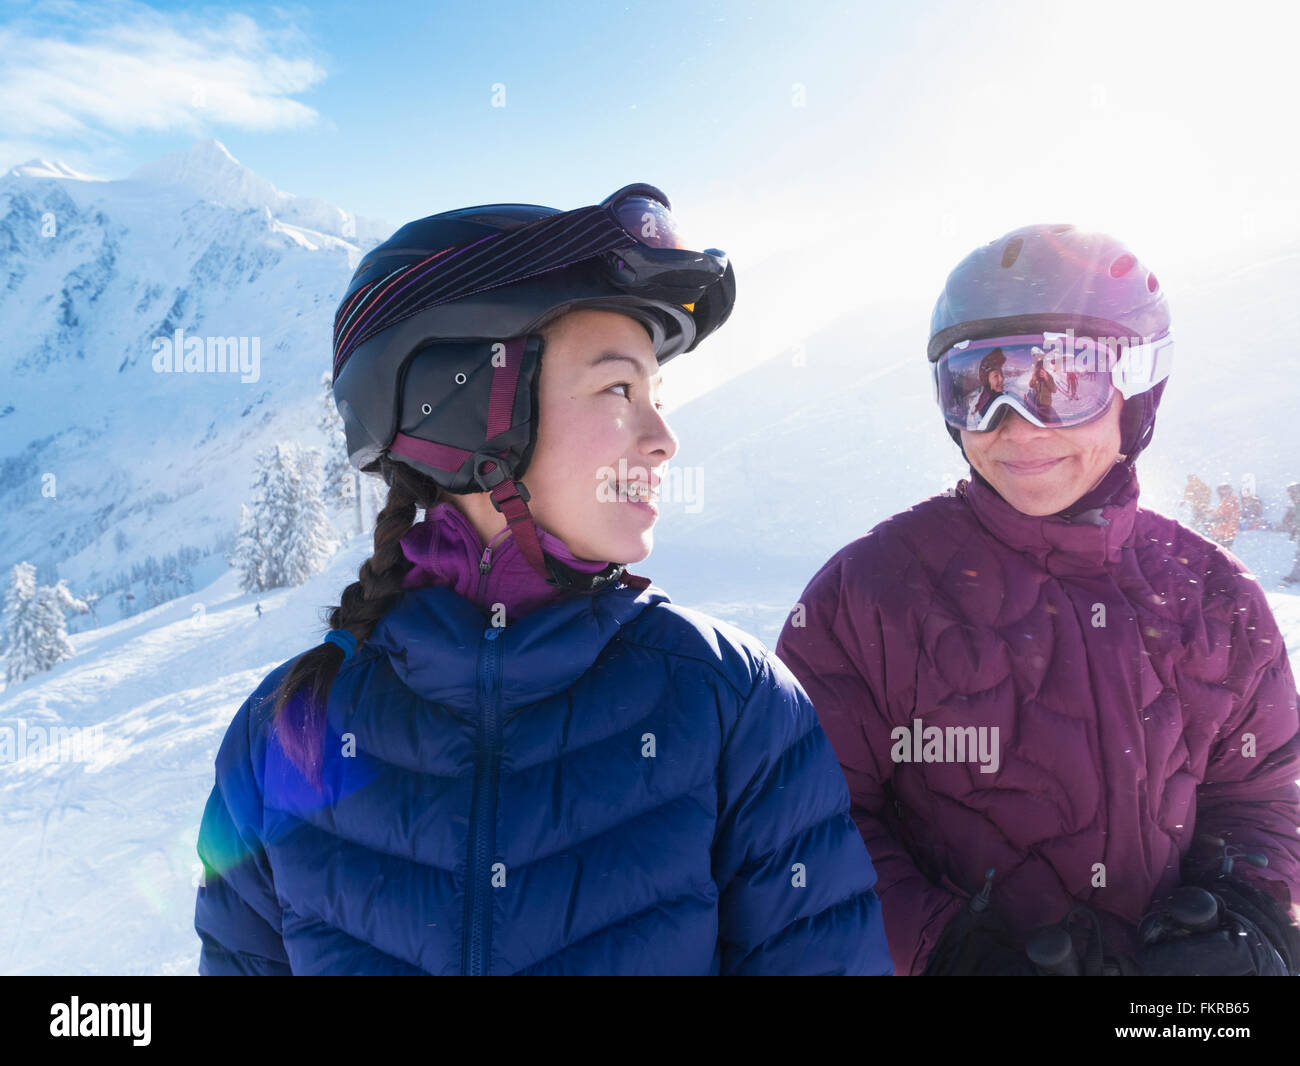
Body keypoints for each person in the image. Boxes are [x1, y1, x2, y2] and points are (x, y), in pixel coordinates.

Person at [193, 184, 892, 976]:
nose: (664, 439)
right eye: (619, 389)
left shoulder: (733, 705)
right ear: (462, 414)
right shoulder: (285, 734)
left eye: (657, 396)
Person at [777, 223, 1300, 976]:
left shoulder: (1217, 597)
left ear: (1138, 387)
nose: (1015, 424)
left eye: (1061, 379)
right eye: (977, 386)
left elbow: (1261, 795)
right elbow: (805, 823)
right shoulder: (868, 596)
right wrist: (943, 948)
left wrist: (1247, 916)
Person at [1210, 480, 1241, 548]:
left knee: (1222, 553)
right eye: (1221, 490)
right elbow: (1220, 513)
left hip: (1225, 533)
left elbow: (1231, 515)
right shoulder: (1225, 500)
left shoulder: (1231, 499)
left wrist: (1220, 518)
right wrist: (1210, 512)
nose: (1222, 492)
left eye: (1225, 489)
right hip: (1220, 532)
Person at [1282, 482, 1300, 584]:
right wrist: (1294, 531)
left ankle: (1295, 576)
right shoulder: (1297, 504)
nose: (1290, 496)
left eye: (1292, 493)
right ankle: (1295, 576)